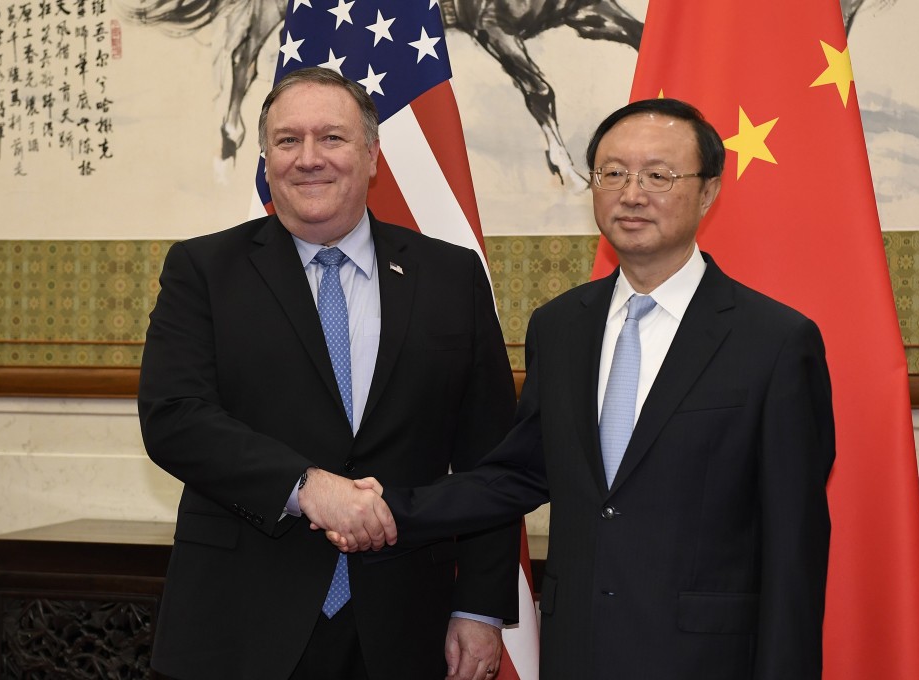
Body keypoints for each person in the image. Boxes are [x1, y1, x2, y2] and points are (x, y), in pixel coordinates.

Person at [333, 98, 836, 680]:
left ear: (708, 192)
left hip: (707, 659)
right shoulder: (561, 326)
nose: (632, 193)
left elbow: (794, 549)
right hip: (578, 651)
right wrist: (388, 506)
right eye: (613, 173)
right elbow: (519, 474)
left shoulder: (775, 341)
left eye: (659, 175)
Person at [138, 67, 520, 680]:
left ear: (372, 155)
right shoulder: (204, 270)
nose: (308, 159)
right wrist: (306, 486)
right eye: (287, 141)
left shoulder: (451, 277)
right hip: (240, 621)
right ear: (265, 159)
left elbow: (491, 458)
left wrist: (479, 605)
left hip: (408, 625)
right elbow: (175, 419)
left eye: (332, 139)